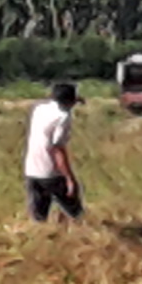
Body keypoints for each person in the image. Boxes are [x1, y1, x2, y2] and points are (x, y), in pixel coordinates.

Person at [25, 78, 85, 224]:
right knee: (76, 213)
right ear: (69, 101)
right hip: (50, 171)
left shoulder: (39, 109)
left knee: (39, 216)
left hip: (32, 169)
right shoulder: (63, 117)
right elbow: (57, 148)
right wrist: (69, 178)